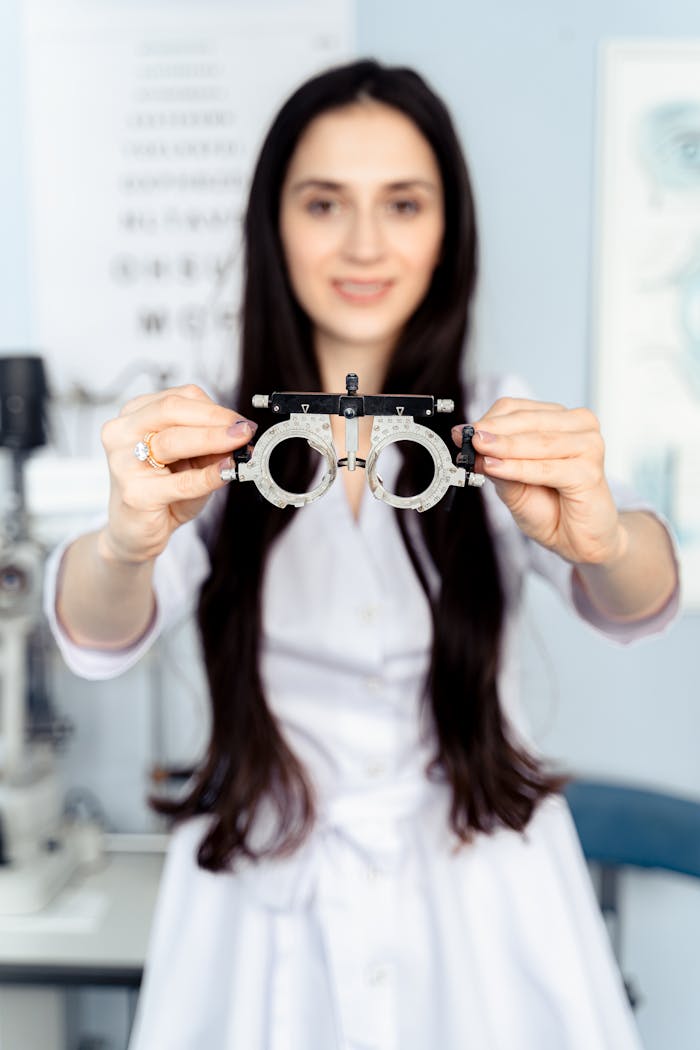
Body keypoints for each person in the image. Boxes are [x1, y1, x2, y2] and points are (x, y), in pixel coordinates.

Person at [46, 59, 679, 1050]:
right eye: (323, 202)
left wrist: (604, 537)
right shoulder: (206, 429)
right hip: (262, 897)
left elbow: (639, 597)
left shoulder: (501, 417)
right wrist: (125, 543)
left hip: (485, 899)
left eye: (403, 203)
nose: (364, 243)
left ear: (448, 228)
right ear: (274, 223)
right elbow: (95, 628)